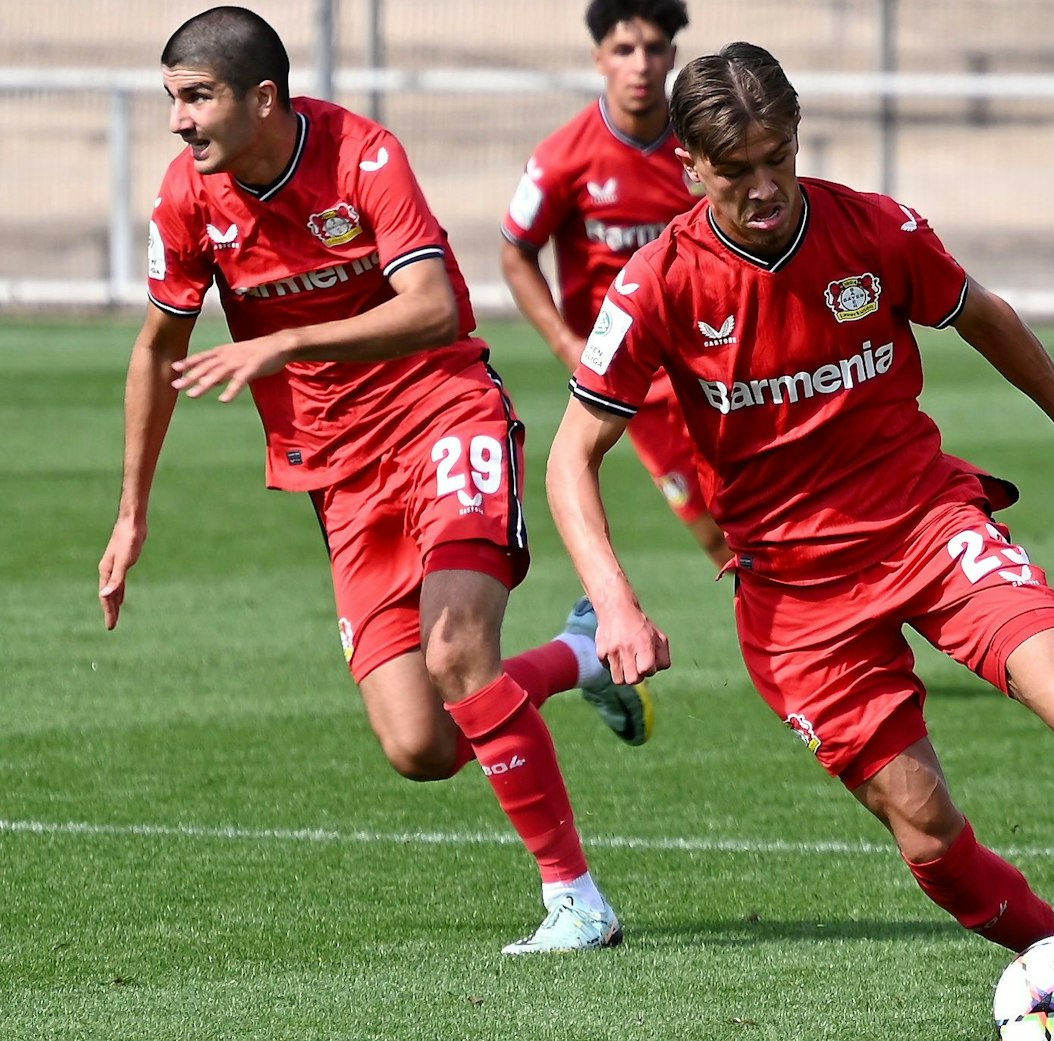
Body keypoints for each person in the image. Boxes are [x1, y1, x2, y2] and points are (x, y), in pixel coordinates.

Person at [545, 42, 1054, 966]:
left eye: (779, 159)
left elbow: (986, 317)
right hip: (797, 596)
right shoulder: (656, 286)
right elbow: (573, 456)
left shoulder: (876, 231)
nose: (765, 188)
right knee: (926, 831)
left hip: (928, 526)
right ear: (689, 166)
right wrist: (613, 600)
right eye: (736, 172)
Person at [99, 6, 648, 955]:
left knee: (457, 655)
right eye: (172, 101)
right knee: (422, 746)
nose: (179, 121)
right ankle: (577, 656)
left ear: (260, 99)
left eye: (196, 99)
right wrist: (130, 513)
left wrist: (290, 339)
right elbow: (158, 351)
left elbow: (436, 307)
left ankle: (577, 900)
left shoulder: (363, 156)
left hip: (443, 417)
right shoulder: (189, 196)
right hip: (339, 474)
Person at [501, 0, 729, 566]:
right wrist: (564, 342)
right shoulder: (564, 156)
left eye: (654, 49)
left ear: (673, 56)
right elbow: (515, 252)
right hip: (635, 380)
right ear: (600, 58)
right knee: (713, 533)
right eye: (625, 51)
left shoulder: (699, 150)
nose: (641, 65)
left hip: (713, 361)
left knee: (764, 511)